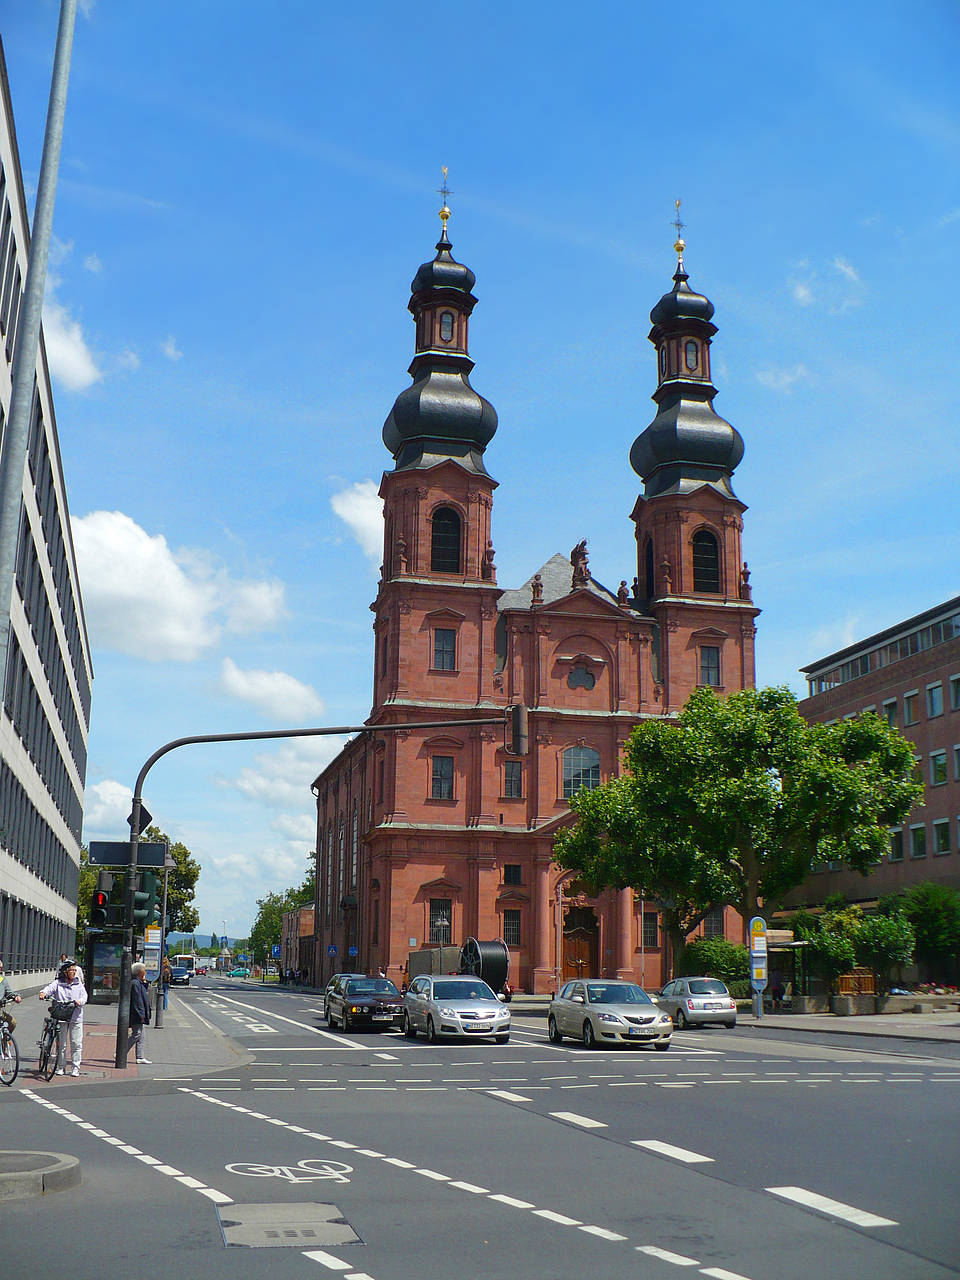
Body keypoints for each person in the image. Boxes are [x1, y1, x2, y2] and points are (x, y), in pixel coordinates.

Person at [39, 958, 87, 1077]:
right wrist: (43, 993)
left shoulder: (78, 983)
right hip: (61, 1017)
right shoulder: (58, 983)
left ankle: (75, 1067)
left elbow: (84, 996)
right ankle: (61, 1067)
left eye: (75, 970)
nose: (74, 972)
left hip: (76, 1017)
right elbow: (48, 989)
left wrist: (79, 1001)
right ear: (65, 971)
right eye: (71, 970)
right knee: (61, 1044)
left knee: (76, 1043)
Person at [128, 962, 152, 1064]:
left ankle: (140, 1057)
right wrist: (141, 1015)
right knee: (137, 1034)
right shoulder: (135, 983)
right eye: (144, 971)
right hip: (137, 1014)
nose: (146, 972)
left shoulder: (139, 983)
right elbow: (137, 1000)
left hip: (139, 1013)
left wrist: (145, 982)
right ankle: (121, 1051)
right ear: (140, 972)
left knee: (142, 1035)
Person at [0, 957, 22, 1031]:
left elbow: (8, 992)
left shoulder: (2, 979)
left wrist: (15, 996)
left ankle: (4, 1040)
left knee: (12, 1023)